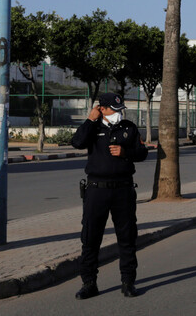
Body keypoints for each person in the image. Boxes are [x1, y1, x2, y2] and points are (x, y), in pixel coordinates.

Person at [71, 92, 149, 299]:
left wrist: (126, 154)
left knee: (127, 237)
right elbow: (77, 142)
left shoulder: (129, 128)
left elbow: (142, 153)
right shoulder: (92, 128)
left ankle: (128, 282)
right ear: (101, 109)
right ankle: (89, 283)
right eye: (113, 110)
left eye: (119, 110)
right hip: (97, 190)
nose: (118, 113)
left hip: (123, 190)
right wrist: (90, 119)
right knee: (90, 238)